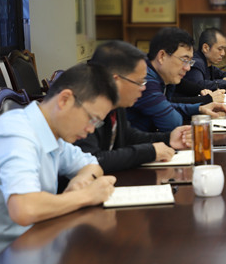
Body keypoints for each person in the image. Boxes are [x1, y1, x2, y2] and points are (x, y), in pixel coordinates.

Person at [0, 63, 119, 264]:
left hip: (23, 247)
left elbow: (91, 164)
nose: (91, 129)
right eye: (91, 119)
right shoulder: (18, 135)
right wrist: (85, 195)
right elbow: (25, 209)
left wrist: (81, 181)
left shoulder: (51, 131)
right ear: (65, 100)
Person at [77, 40, 192, 173]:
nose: (143, 88)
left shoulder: (116, 104)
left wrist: (168, 138)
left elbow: (128, 136)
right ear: (115, 81)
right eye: (139, 82)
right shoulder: (83, 108)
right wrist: (149, 152)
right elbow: (93, 160)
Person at [127, 27, 226, 132]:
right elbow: (172, 122)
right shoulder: (145, 81)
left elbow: (168, 105)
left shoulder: (161, 78)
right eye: (184, 60)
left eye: (190, 62)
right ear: (162, 56)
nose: (188, 68)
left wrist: (199, 108)